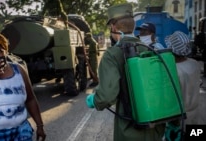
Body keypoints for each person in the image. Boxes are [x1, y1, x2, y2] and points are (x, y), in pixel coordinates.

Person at [85, 3, 165, 141]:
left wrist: (96, 100)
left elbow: (106, 96)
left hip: (130, 131)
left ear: (113, 27)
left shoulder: (112, 55)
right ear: (133, 26)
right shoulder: (151, 49)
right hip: (155, 129)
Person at [164, 31, 201, 140]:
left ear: (171, 49)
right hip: (195, 112)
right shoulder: (194, 63)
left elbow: (172, 98)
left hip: (179, 118)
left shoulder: (173, 70)